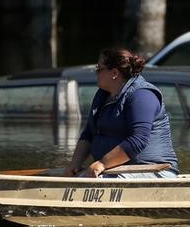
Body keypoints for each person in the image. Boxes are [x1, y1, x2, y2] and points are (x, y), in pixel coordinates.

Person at [63, 47, 179, 178]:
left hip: (154, 171)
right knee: (77, 177)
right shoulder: (102, 96)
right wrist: (75, 164)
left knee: (92, 183)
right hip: (113, 170)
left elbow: (138, 140)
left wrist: (102, 163)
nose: (96, 73)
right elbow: (89, 133)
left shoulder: (142, 95)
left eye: (99, 69)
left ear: (114, 73)